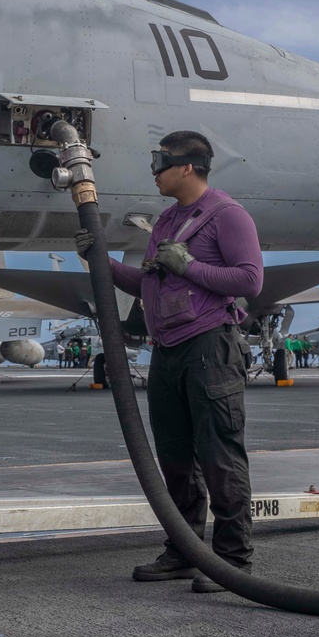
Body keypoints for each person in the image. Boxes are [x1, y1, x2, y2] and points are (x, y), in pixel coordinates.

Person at [75, 130, 262, 594]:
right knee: (176, 461)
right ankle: (184, 552)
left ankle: (233, 562)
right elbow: (149, 286)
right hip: (170, 351)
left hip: (210, 349)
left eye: (161, 161)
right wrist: (98, 260)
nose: (154, 171)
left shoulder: (227, 216)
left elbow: (250, 280)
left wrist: (190, 267)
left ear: (188, 166)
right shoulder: (166, 222)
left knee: (220, 458)